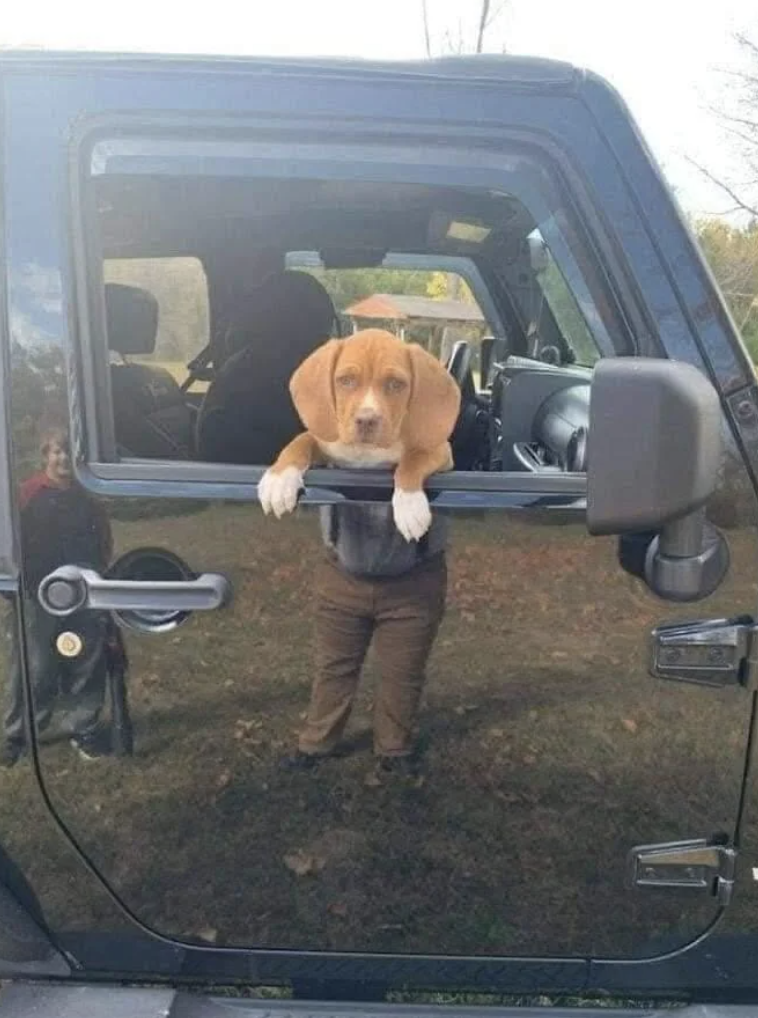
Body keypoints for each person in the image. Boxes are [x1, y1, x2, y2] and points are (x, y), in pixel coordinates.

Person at [283, 500, 448, 779]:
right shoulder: (334, 454)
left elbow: (447, 462)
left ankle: (393, 748)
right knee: (334, 667)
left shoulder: (429, 454)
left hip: (415, 582)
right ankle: (316, 744)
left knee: (402, 672)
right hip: (341, 576)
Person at [1, 424, 113, 766]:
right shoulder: (27, 494)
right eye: (57, 451)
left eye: (69, 451)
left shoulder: (87, 497)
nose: (64, 457)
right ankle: (18, 735)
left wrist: (99, 577)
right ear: (45, 456)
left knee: (87, 663)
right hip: (37, 593)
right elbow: (8, 541)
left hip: (84, 591)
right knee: (36, 667)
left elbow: (103, 541)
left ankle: (84, 728)